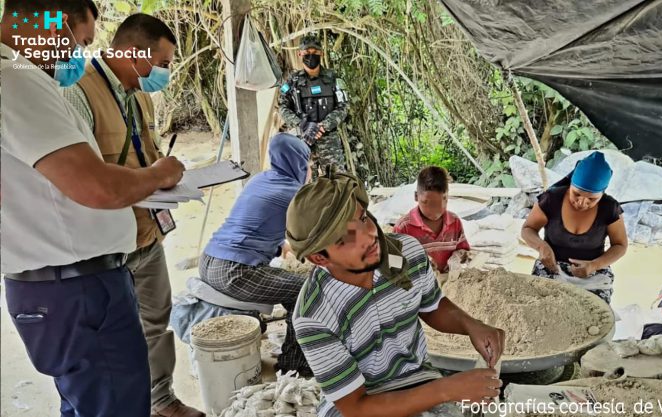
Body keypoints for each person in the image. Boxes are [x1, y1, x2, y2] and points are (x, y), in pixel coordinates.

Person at [0, 1, 185, 416]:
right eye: (81, 41)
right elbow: (96, 186)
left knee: (91, 403)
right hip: (75, 288)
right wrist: (157, 175)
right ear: (56, 26)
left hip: (62, 284)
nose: (77, 54)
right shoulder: (16, 80)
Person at [61, 13, 203, 417]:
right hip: (106, 245)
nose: (165, 73)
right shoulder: (78, 92)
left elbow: (149, 156)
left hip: (146, 233)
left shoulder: (140, 94)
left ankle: (161, 399)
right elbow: (80, 177)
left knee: (156, 320)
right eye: (163, 63)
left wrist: (167, 175)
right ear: (133, 52)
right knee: (109, 342)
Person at [286, 171, 505, 417]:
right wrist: (446, 390)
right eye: (345, 238)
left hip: (418, 380)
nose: (369, 235)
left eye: (363, 218)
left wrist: (471, 325)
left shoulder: (404, 253)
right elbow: (356, 408)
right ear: (319, 258)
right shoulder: (313, 315)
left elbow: (432, 306)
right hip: (361, 403)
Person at [199, 133, 313, 376]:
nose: (310, 169)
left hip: (209, 260)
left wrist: (281, 246)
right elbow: (315, 238)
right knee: (307, 290)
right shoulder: (295, 194)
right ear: (299, 163)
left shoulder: (261, 179)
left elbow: (257, 224)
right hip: (234, 271)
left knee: (284, 281)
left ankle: (267, 328)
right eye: (308, 162)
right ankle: (295, 364)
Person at [521, 151, 628, 304]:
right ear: (571, 184)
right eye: (576, 194)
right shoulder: (551, 199)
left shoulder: (609, 208)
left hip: (592, 271)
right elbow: (528, 229)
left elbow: (620, 245)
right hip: (551, 266)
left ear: (602, 193)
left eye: (592, 199)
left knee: (592, 310)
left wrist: (593, 265)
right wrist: (541, 247)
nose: (582, 202)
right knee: (540, 305)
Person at [278, 34, 349, 174]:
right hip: (303, 140)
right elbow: (283, 107)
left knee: (337, 182)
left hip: (329, 142)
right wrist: (302, 124)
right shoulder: (292, 82)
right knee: (307, 183)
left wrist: (323, 126)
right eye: (307, 52)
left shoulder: (333, 78)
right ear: (299, 54)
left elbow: (343, 106)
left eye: (315, 52)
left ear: (321, 53)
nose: (311, 56)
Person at [393, 166, 471, 273]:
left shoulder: (455, 222)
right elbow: (393, 263)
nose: (435, 211)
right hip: (419, 282)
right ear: (416, 196)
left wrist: (457, 257)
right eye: (426, 202)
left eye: (441, 202)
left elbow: (463, 251)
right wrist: (418, 263)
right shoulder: (403, 227)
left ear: (447, 197)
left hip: (449, 280)